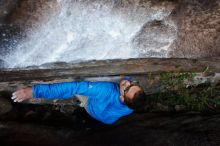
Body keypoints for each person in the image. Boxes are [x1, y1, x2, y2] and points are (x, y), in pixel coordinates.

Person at [11, 77, 147, 124]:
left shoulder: (106, 90)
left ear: (122, 98)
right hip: (109, 119)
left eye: (127, 87)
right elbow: (129, 86)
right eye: (133, 83)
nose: (127, 82)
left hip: (93, 110)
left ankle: (83, 104)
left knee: (77, 88)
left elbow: (73, 87)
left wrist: (33, 91)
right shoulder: (132, 105)